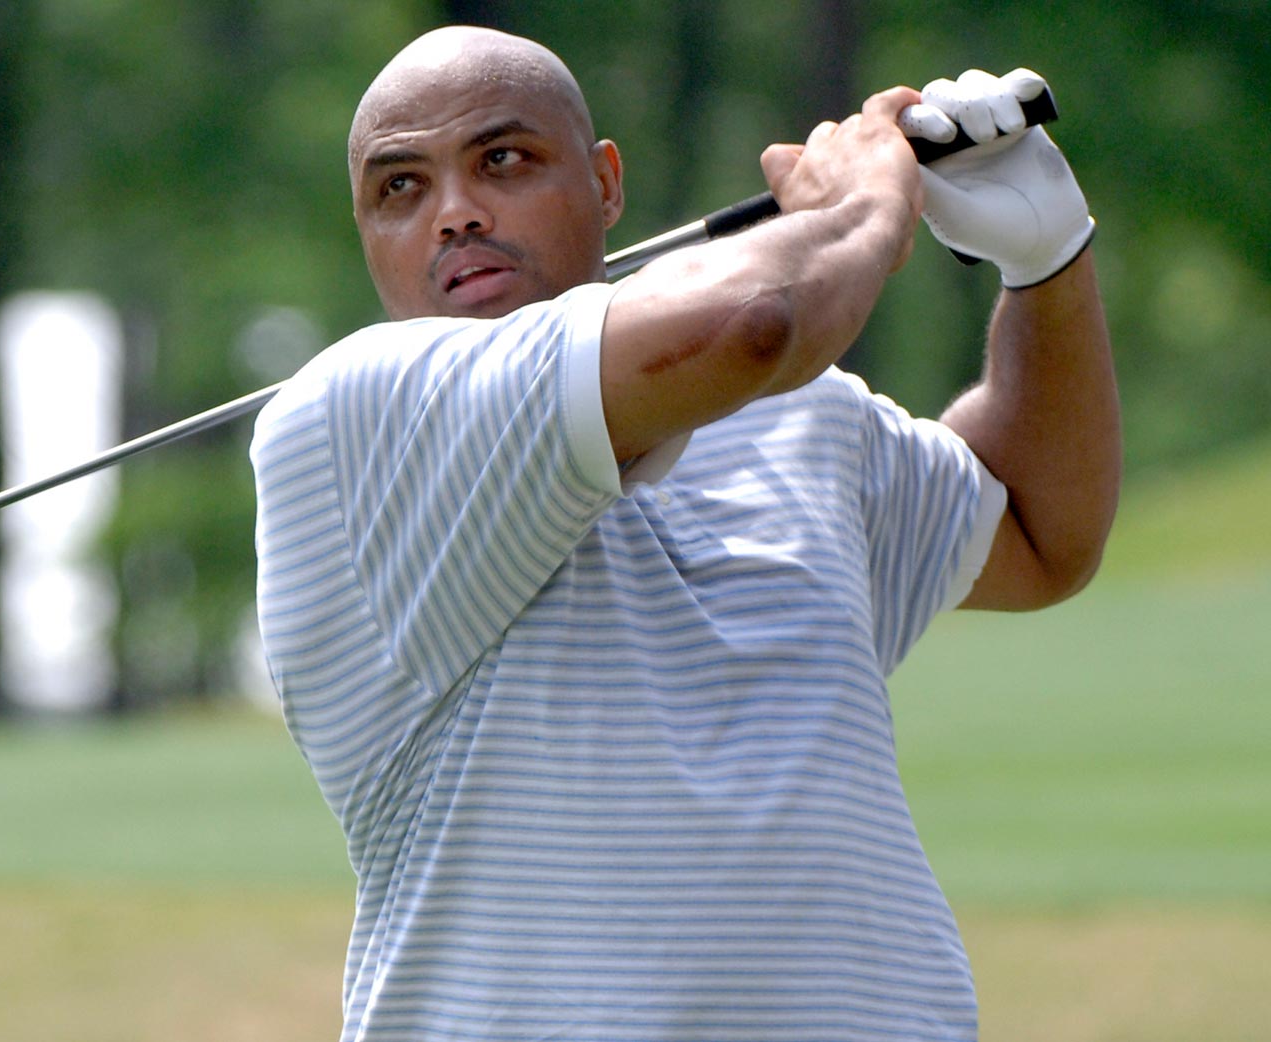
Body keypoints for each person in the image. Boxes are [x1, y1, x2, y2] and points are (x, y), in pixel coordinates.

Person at [250, 25, 1117, 1042]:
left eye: (501, 160)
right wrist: (865, 198)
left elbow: (1036, 528)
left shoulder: (803, 417)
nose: (453, 215)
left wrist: (1045, 260)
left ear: (604, 184)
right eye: (399, 189)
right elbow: (753, 322)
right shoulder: (353, 420)